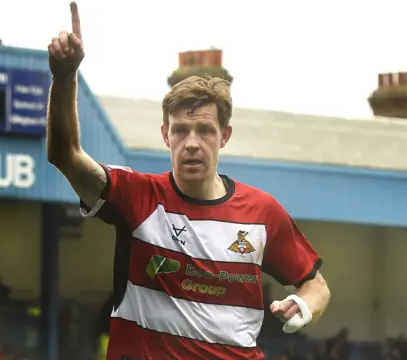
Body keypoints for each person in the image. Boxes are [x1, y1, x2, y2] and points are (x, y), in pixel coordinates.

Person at [46, 3, 331, 359]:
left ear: (224, 136)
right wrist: (65, 75)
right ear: (166, 135)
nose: (192, 142)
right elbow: (64, 154)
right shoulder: (138, 198)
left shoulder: (262, 212)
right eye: (181, 130)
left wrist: (302, 307)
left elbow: (316, 287)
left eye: (205, 131)